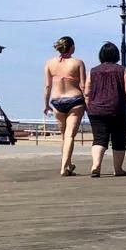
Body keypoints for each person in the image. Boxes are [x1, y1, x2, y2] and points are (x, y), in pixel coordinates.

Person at [82, 42, 126, 177]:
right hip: (118, 109)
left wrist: (88, 108)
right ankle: (118, 169)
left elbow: (87, 92)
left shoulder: (93, 71)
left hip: (96, 110)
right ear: (117, 55)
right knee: (119, 139)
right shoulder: (122, 70)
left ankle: (96, 165)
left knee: (99, 139)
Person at [43, 36, 87, 176]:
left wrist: (46, 104)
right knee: (69, 136)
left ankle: (68, 164)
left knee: (64, 136)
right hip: (74, 100)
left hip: (57, 101)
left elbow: (47, 86)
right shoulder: (78, 63)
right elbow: (83, 85)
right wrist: (88, 102)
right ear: (72, 47)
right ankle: (64, 168)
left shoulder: (50, 63)